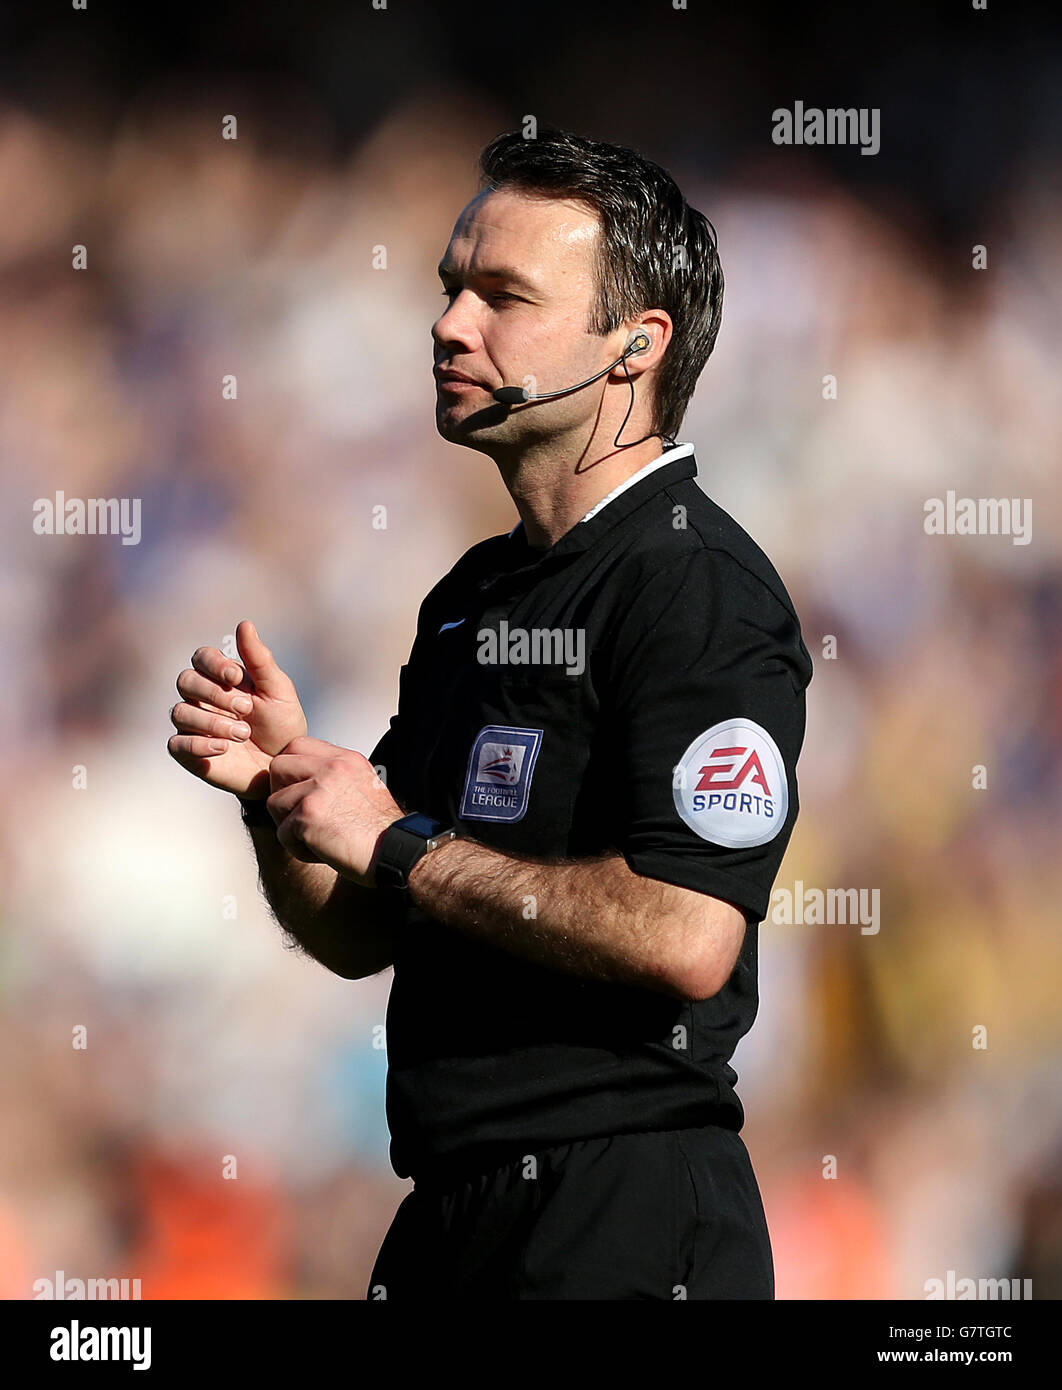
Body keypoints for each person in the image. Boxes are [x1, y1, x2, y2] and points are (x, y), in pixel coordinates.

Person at [167, 128, 813, 1300]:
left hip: (618, 1214)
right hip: (454, 1211)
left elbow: (687, 932)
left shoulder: (696, 582)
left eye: (503, 295)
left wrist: (400, 844)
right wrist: (284, 804)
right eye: (450, 287)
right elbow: (365, 935)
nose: (451, 324)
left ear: (635, 347)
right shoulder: (473, 595)